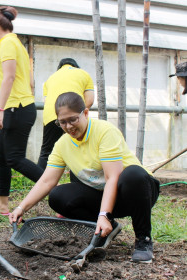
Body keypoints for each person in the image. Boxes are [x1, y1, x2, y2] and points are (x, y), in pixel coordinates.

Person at [10, 92, 160, 264]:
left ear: (86, 113)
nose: (68, 126)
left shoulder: (104, 132)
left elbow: (112, 177)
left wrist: (103, 214)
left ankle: (143, 240)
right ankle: (103, 230)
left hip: (136, 193)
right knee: (58, 196)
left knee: (134, 175)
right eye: (62, 122)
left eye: (73, 119)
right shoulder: (62, 144)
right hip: (103, 196)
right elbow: (47, 181)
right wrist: (21, 208)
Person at [0, 6, 44, 214]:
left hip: (17, 107)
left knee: (14, 157)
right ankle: (2, 205)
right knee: (0, 153)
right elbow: (26, 78)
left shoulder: (8, 43)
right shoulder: (15, 43)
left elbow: (9, 77)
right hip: (18, 106)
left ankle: (52, 186)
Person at [37, 58, 94, 169]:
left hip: (52, 115)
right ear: (75, 66)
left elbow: (46, 101)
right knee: (78, 148)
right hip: (75, 115)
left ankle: (40, 183)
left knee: (46, 152)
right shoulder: (83, 74)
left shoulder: (50, 78)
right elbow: (90, 100)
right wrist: (79, 116)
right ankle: (78, 183)